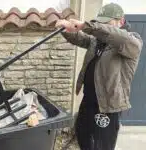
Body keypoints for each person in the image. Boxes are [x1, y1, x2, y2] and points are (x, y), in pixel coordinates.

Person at [55, 3, 143, 150]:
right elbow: (82, 38)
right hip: (89, 99)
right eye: (100, 22)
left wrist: (87, 25)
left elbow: (116, 36)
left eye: (106, 23)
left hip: (107, 106)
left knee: (102, 145)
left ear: (121, 21)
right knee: (83, 135)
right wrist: (66, 30)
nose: (102, 26)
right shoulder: (98, 40)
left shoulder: (131, 41)